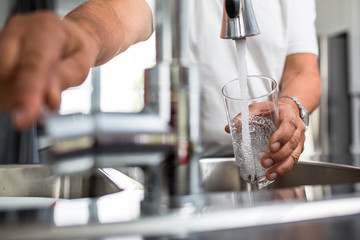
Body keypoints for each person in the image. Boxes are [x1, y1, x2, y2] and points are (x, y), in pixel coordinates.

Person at [0, 0, 321, 181]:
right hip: (182, 164)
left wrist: (291, 105)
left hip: (267, 165)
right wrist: (80, 33)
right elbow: (120, 13)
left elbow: (304, 69)